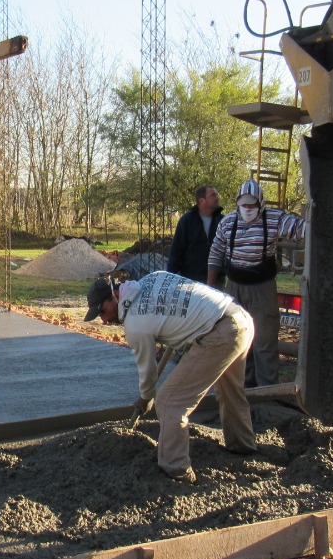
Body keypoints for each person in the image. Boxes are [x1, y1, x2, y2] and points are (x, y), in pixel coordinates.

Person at [85, 271, 255, 483]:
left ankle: (175, 469)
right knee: (230, 392)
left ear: (116, 295)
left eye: (102, 311)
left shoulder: (135, 323)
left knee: (169, 402)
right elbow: (178, 307)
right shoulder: (151, 279)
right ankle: (243, 446)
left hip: (219, 334)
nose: (104, 319)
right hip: (239, 319)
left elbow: (147, 370)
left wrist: (146, 398)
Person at [206, 179, 303, 387]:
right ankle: (244, 389)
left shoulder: (275, 219)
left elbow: (300, 228)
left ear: (261, 203)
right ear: (237, 204)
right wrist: (210, 285)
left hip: (262, 289)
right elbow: (216, 252)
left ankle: (268, 392)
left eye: (253, 205)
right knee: (238, 338)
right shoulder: (228, 223)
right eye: (244, 205)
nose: (248, 209)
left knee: (264, 341)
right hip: (235, 288)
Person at [166, 185, 222, 281]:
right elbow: (176, 250)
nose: (217, 198)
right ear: (202, 201)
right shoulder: (187, 220)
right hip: (191, 279)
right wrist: (170, 277)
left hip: (217, 279)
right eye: (213, 195)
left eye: (216, 195)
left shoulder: (222, 221)